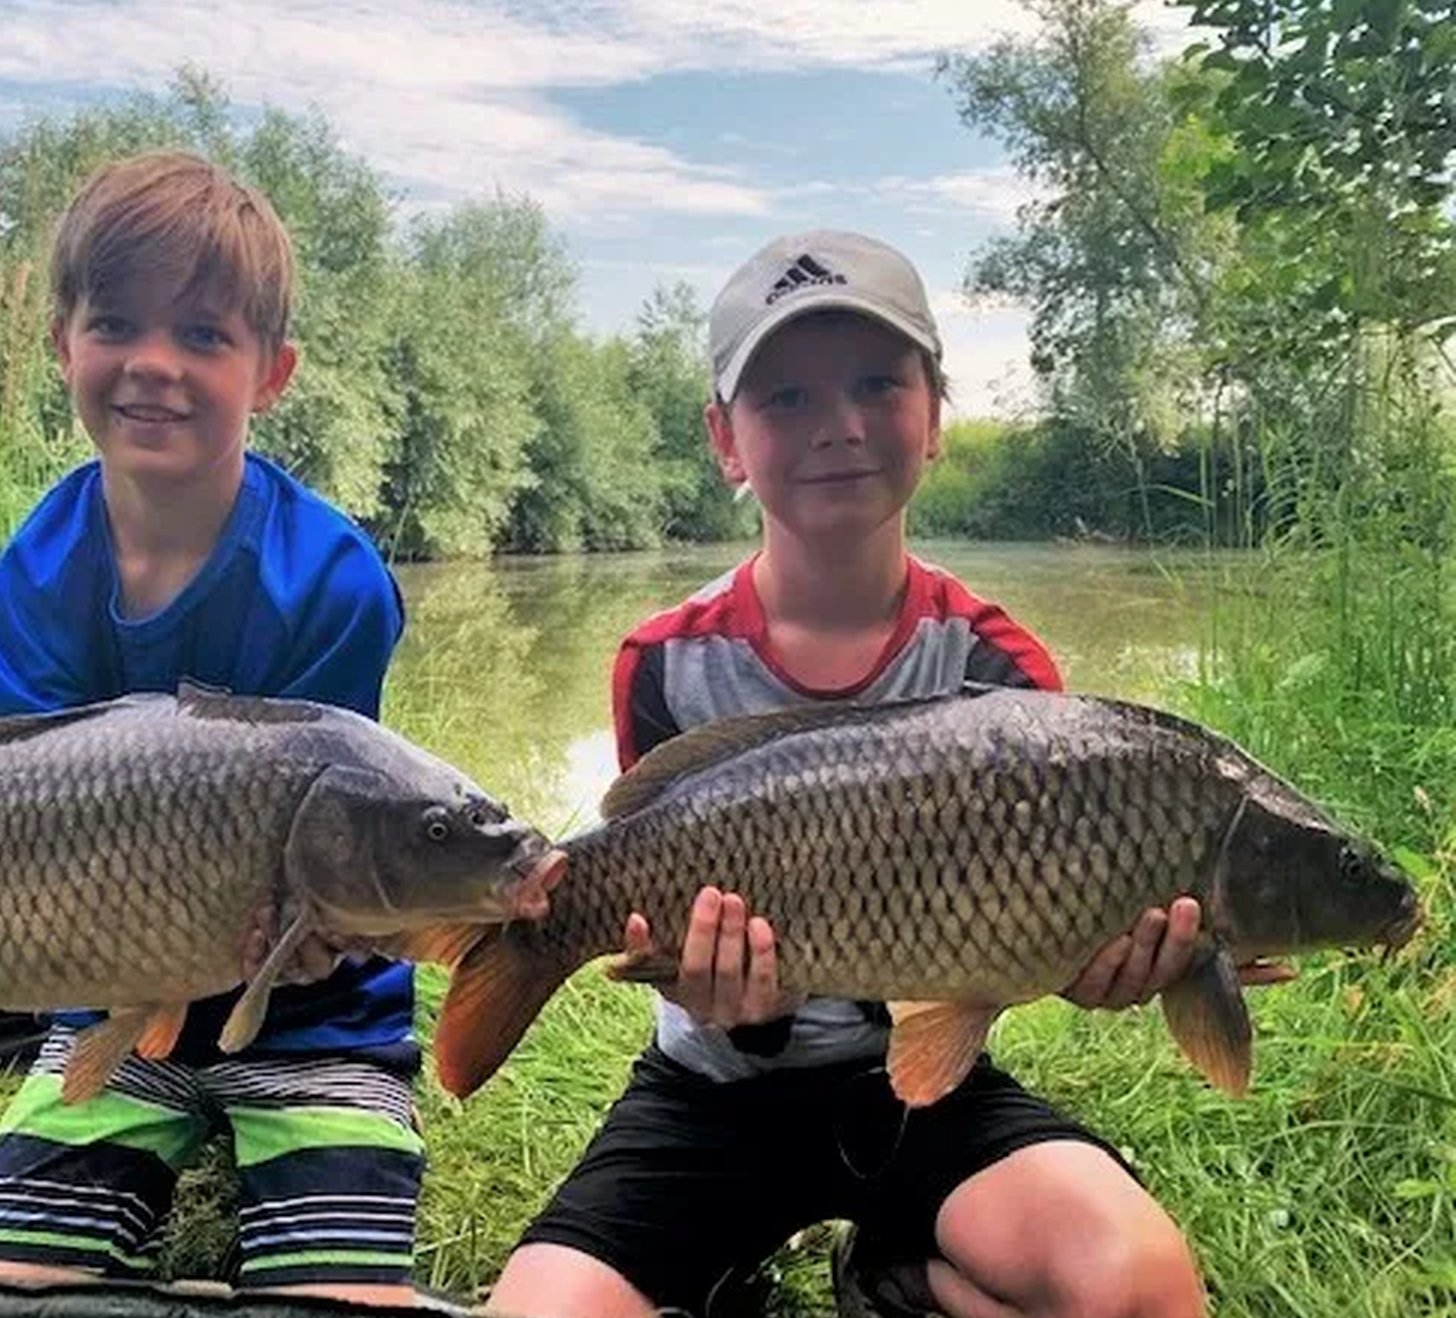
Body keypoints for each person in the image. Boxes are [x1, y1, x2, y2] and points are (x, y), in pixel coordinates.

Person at [485, 230, 1291, 1318]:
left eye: (878, 383)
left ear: (935, 413)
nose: (841, 424)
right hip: (709, 1092)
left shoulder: (1002, 668)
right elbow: (671, 919)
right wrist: (720, 995)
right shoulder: (664, 662)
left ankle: (899, 1273)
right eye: (786, 398)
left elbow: (1013, 943)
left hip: (928, 1094)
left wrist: (1096, 966)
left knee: (1142, 1289)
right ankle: (722, 1270)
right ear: (726, 439)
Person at [0, 150, 429, 1303]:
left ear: (273, 373)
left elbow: (342, 842)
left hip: (320, 1021)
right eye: (117, 322)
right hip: (107, 1017)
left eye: (205, 336)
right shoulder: (30, 579)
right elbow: (11, 846)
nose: (155, 366)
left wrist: (313, 934)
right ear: (60, 342)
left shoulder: (333, 579)